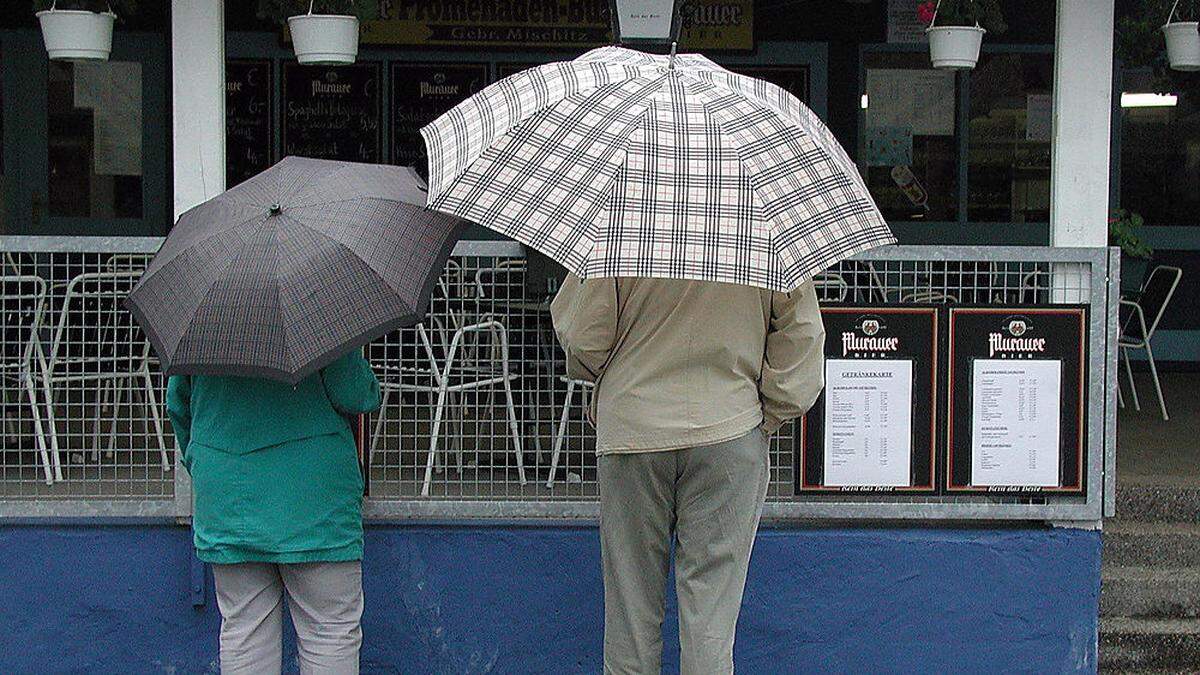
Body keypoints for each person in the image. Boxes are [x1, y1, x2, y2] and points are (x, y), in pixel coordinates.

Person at [551, 275, 825, 674]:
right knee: (711, 613)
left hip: (634, 426)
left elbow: (583, 335)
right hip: (729, 425)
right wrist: (767, 413)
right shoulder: (764, 232)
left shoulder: (623, 223)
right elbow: (802, 338)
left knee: (631, 607)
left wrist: (620, 376)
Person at [166, 350, 381, 674]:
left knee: (244, 628)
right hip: (314, 498)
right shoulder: (319, 308)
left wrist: (204, 462)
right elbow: (353, 393)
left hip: (230, 493)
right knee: (328, 630)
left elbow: (179, 405)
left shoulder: (203, 320)